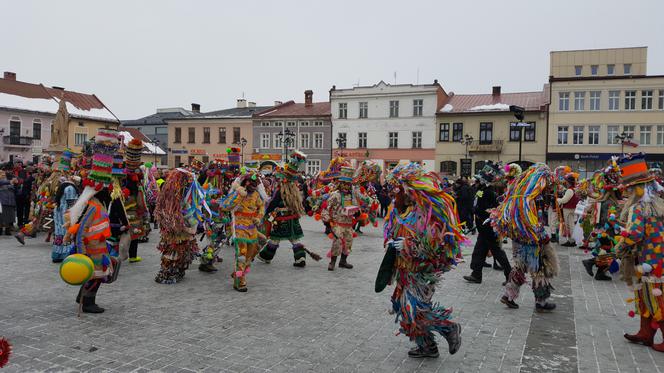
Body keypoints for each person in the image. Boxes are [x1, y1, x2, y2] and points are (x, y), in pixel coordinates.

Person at [378, 163, 463, 358]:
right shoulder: (400, 212)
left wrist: (407, 245)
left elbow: (434, 245)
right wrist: (392, 241)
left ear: (408, 190)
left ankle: (449, 328)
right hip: (404, 271)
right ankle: (427, 346)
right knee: (405, 308)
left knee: (415, 310)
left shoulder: (425, 214)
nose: (393, 195)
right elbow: (394, 232)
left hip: (421, 272)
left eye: (396, 190)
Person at [63, 129, 122, 314]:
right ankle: (88, 302)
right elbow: (80, 231)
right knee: (95, 276)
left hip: (99, 247)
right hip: (91, 250)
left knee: (97, 275)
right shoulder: (92, 206)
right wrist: (82, 253)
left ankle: (83, 297)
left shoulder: (97, 204)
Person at [614, 153, 664, 353]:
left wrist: (619, 246)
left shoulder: (638, 208)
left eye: (629, 189)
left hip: (646, 260)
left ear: (637, 189)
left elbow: (634, 234)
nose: (627, 193)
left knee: (654, 298)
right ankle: (645, 332)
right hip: (659, 259)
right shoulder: (659, 205)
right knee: (648, 296)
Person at [494, 164, 558, 312]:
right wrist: (542, 237)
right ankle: (541, 302)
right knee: (539, 269)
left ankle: (508, 296)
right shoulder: (533, 197)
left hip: (519, 238)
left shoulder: (517, 193)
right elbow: (534, 222)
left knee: (520, 267)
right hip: (531, 240)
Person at [258, 151, 319, 267]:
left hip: (281, 219)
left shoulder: (281, 191)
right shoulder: (295, 191)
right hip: (293, 219)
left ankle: (266, 256)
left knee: (275, 239)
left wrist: (266, 213)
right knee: (295, 239)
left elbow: (273, 203)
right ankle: (300, 258)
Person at [463, 162, 512, 285]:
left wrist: (475, 210)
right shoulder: (482, 190)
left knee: (498, 253)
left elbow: (488, 210)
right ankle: (476, 274)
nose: (476, 182)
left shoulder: (488, 192)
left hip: (488, 229)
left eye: (478, 180)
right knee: (478, 252)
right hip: (483, 229)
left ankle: (510, 276)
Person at [217, 170, 265, 292]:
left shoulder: (255, 195)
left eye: (256, 183)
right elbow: (224, 206)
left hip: (252, 228)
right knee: (242, 254)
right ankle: (239, 281)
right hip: (239, 227)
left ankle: (238, 273)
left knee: (251, 253)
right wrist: (238, 193)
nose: (253, 185)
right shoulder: (238, 193)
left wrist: (258, 218)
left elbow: (261, 206)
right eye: (251, 182)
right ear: (245, 182)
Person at [154, 169, 200, 284]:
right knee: (173, 250)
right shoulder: (170, 199)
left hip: (182, 229)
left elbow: (187, 210)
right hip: (175, 231)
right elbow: (168, 215)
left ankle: (178, 270)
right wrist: (184, 226)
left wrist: (191, 224)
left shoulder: (180, 198)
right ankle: (168, 272)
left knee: (183, 250)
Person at [321, 166, 369, 271]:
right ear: (340, 184)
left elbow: (357, 210)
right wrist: (328, 223)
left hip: (348, 224)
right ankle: (332, 262)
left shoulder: (352, 196)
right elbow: (326, 209)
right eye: (344, 184)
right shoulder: (335, 195)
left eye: (348, 184)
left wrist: (357, 214)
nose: (346, 186)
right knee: (337, 242)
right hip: (338, 223)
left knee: (348, 243)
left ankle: (343, 261)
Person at [557, 173, 580, 247]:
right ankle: (571, 240)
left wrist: (557, 200)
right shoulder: (575, 189)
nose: (565, 182)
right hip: (572, 208)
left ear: (569, 182)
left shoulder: (570, 190)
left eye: (566, 181)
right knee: (571, 224)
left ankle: (571, 241)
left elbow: (565, 200)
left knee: (569, 225)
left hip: (568, 209)